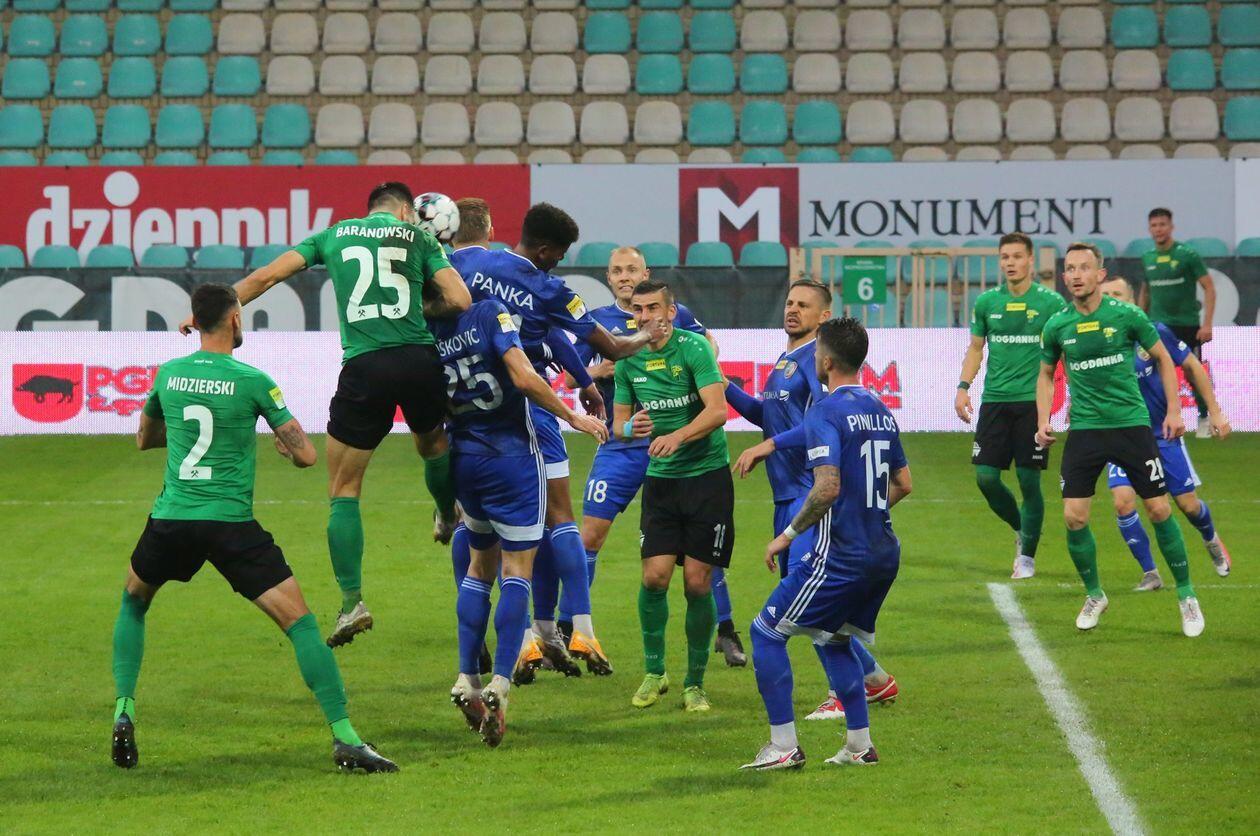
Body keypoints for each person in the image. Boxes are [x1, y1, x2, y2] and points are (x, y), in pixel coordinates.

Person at [114, 284, 397, 773]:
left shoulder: (169, 374)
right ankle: (346, 738)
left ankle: (123, 711)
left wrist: (183, 431)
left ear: (195, 322)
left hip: (173, 520)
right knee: (301, 624)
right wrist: (286, 449)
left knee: (134, 602)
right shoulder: (254, 381)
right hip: (231, 526)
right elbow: (307, 455)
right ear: (235, 320)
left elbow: (144, 439)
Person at [180, 182, 473, 649]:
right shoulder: (419, 238)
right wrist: (420, 305)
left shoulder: (333, 235)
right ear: (404, 209)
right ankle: (444, 511)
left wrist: (206, 316)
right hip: (418, 360)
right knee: (432, 443)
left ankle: (352, 602)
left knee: (344, 489)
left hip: (366, 367)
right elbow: (459, 300)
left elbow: (267, 277)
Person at [450, 201, 664, 678]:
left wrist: (583, 380)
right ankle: (572, 628)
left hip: (466, 408)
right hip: (530, 406)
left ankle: (510, 642)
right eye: (561, 253)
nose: (560, 261)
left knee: (476, 527)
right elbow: (610, 345)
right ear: (547, 250)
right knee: (557, 517)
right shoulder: (548, 288)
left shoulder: (474, 264)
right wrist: (644, 336)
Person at [740, 317, 912, 771]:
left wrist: (787, 536)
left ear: (828, 361)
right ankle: (859, 746)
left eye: (817, 351)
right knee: (833, 636)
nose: (814, 357)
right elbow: (904, 483)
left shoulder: (824, 411)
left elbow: (826, 487)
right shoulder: (880, 408)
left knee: (766, 632)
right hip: (884, 552)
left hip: (842, 557)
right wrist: (867, 512)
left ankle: (783, 746)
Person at [436, 298, 608, 747]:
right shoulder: (488, 313)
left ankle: (467, 676)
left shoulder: (424, 332)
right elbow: (526, 378)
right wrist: (572, 415)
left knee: (478, 569)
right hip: (512, 460)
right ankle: (500, 682)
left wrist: (441, 498)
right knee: (517, 569)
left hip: (462, 460)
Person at [570, 246, 743, 663]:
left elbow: (708, 345)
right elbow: (572, 374)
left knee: (699, 547)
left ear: (645, 274)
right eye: (617, 270)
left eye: (632, 269)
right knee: (589, 534)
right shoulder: (595, 323)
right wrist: (599, 370)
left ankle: (725, 629)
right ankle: (569, 626)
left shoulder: (673, 316)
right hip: (623, 443)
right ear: (608, 278)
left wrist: (695, 365)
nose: (624, 276)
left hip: (677, 443)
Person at [1036, 243, 1204, 637]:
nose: (1076, 275)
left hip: (1131, 426)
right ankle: (1095, 595)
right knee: (1074, 517)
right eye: (1070, 268)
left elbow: (1164, 358)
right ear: (1064, 277)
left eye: (1084, 268)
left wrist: (1175, 410)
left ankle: (1186, 595)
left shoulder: (1127, 315)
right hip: (1085, 430)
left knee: (1159, 509)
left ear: (1099, 274)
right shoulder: (1057, 325)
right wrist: (1043, 419)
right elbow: (1045, 374)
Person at [612, 280, 732, 713]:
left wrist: (678, 436)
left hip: (707, 479)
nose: (644, 316)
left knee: (697, 582)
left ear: (671, 311)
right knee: (654, 578)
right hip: (661, 482)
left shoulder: (694, 348)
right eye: (638, 309)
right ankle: (654, 672)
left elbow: (718, 411)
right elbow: (618, 425)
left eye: (652, 308)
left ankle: (694, 684)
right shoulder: (627, 359)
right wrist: (632, 428)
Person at [1099, 277, 1232, 589]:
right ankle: (1150, 572)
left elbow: (1193, 366)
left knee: (1188, 505)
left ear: (1132, 300)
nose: (1112, 300)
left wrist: (1214, 411)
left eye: (1118, 294)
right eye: (1106, 296)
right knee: (1123, 502)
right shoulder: (1095, 339)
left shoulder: (1152, 331)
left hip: (1162, 434)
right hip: (1122, 436)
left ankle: (1210, 536)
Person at [955, 232, 1068, 579]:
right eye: (1005, 257)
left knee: (1028, 481)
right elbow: (976, 348)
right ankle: (1023, 529)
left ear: (1030, 260)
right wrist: (963, 387)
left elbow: (1065, 351)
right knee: (986, 478)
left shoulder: (1051, 303)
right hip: (994, 401)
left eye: (1017, 256)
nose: (1010, 263)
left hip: (1033, 404)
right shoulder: (987, 302)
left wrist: (1071, 396)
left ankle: (1027, 557)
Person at [1140, 208, 1217, 438]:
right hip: (1156, 325)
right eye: (1154, 225)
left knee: (1192, 371)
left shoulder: (1187, 255)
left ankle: (1204, 417)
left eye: (1162, 224)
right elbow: (1145, 292)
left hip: (1186, 324)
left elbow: (1209, 288)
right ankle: (1158, 419)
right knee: (1150, 373)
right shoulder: (1147, 258)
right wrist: (1139, 319)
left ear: (1171, 227)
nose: (1158, 229)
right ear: (1149, 229)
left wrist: (1207, 324)